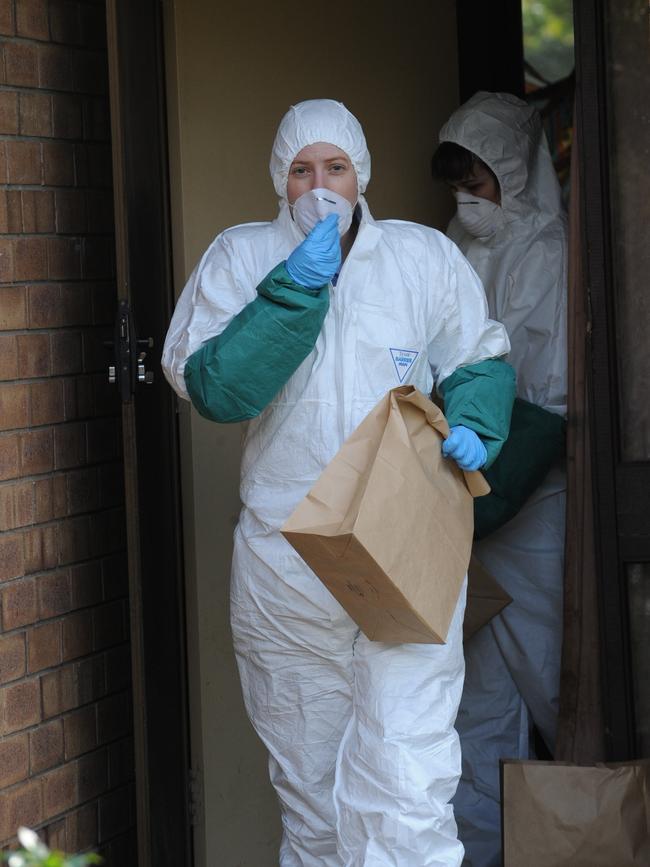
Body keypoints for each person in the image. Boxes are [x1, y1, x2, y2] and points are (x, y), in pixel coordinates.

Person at [162, 98, 516, 867]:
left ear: (363, 173)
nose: (319, 184)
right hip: (285, 567)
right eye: (300, 170)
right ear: (277, 179)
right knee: (314, 794)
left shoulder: (420, 257)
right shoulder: (241, 256)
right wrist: (292, 289)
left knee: (409, 783)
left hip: (403, 549)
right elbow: (216, 387)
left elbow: (480, 354)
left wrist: (478, 424)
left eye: (336, 167)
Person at [432, 91, 567, 867]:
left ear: (513, 172)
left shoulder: (546, 249)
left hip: (530, 505)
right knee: (477, 702)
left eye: (478, 180)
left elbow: (549, 397)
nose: (466, 198)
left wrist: (487, 494)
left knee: (557, 682)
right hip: (469, 505)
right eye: (458, 183)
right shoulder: (454, 246)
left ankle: (598, 829)